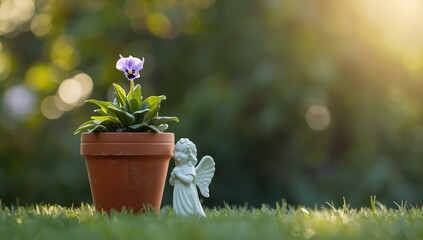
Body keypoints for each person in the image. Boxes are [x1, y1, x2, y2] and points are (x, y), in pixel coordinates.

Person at [169, 138, 215, 217]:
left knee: (189, 206)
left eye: (183, 152)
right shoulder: (177, 168)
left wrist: (178, 174)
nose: (179, 154)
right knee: (179, 206)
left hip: (187, 192)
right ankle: (180, 215)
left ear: (190, 156)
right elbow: (171, 183)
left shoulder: (190, 168)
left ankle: (192, 215)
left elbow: (188, 180)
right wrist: (173, 177)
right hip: (178, 191)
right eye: (177, 151)